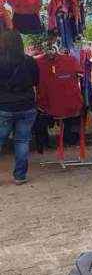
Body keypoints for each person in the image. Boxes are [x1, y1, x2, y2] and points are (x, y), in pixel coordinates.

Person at [0, 30, 39, 185]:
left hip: (4, 107)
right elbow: (36, 81)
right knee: (22, 141)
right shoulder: (29, 61)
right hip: (27, 106)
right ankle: (20, 176)